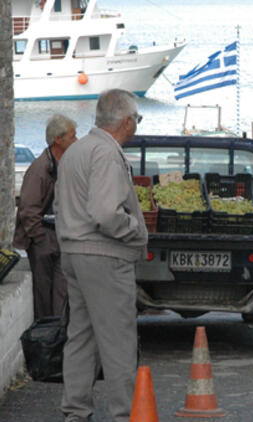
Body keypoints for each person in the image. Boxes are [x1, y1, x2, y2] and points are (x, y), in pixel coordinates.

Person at [55, 89, 148, 422]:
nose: (136, 124)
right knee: (118, 340)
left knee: (81, 336)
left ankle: (75, 412)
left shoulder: (76, 151)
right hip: (104, 256)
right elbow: (106, 214)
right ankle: (124, 414)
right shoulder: (107, 153)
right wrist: (136, 231)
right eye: (137, 119)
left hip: (73, 251)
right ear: (126, 121)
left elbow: (60, 205)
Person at [13, 114, 78, 319]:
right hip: (44, 238)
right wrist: (39, 238)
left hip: (60, 236)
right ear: (58, 139)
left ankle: (57, 336)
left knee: (61, 293)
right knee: (43, 295)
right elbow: (28, 208)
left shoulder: (64, 164)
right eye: (72, 136)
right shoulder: (40, 169)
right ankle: (46, 338)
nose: (76, 140)